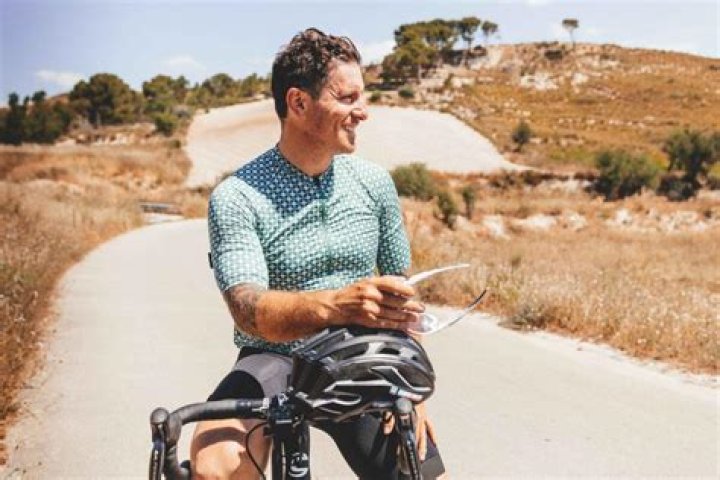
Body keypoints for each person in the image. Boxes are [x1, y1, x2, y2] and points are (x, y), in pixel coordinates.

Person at [191, 28, 447, 480]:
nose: (362, 112)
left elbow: (402, 294)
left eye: (361, 97)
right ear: (299, 102)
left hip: (362, 357)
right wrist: (335, 305)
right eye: (347, 99)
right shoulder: (237, 196)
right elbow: (248, 311)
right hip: (273, 357)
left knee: (422, 472)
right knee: (214, 465)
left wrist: (412, 387)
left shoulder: (375, 183)